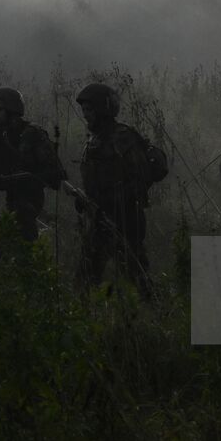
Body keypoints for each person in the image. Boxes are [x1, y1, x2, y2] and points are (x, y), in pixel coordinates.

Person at [75, 82, 157, 294]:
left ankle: (156, 312)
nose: (86, 115)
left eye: (90, 110)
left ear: (103, 109)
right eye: (84, 110)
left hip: (126, 217)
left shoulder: (124, 138)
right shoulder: (93, 142)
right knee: (86, 272)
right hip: (100, 218)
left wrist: (115, 200)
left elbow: (140, 179)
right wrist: (85, 199)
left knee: (134, 271)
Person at [0, 87, 64, 243]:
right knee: (3, 245)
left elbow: (55, 172)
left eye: (0, 109)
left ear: (12, 108)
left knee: (17, 238)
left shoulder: (32, 133)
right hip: (12, 198)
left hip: (31, 198)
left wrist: (31, 178)